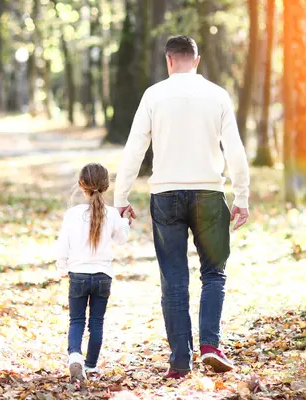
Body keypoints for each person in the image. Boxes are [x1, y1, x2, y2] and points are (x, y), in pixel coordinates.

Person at [113, 35, 250, 378]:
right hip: (209, 194)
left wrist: (121, 198)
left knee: (173, 278)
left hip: (166, 196)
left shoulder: (153, 95)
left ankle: (179, 360)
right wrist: (242, 196)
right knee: (213, 273)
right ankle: (210, 346)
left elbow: (134, 149)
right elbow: (235, 150)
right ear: (197, 60)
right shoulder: (217, 95)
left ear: (169, 61)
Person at [55, 163, 132, 383]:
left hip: (77, 274)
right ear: (106, 186)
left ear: (82, 186)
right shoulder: (112, 214)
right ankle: (90, 366)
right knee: (97, 322)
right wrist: (125, 221)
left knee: (76, 320)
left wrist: (62, 269)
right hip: (102, 276)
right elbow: (121, 239)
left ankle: (75, 357)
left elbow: (63, 246)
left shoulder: (72, 214)